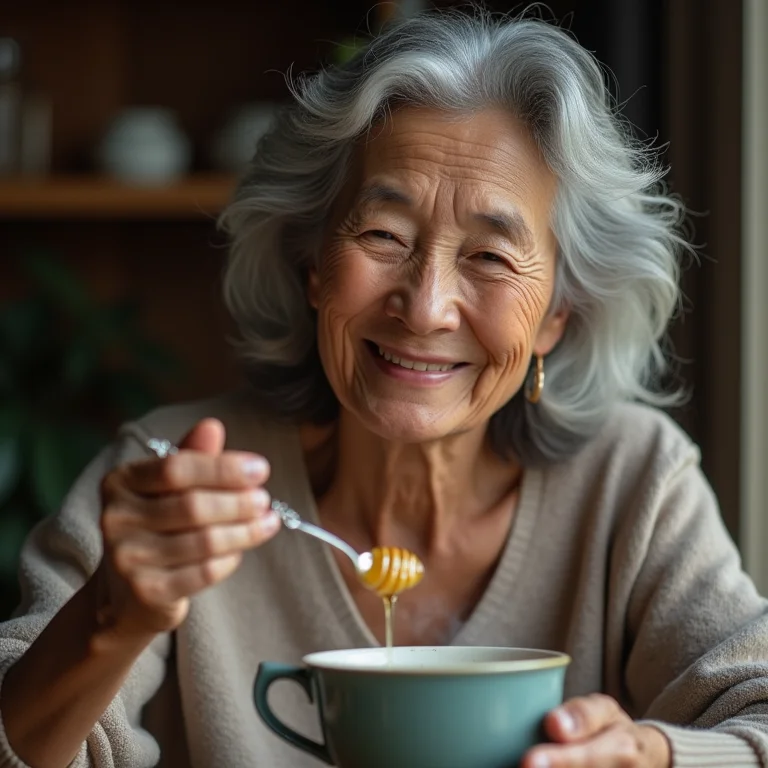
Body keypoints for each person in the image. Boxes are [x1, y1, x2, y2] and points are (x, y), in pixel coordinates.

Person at [1, 8, 767, 768]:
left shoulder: (631, 481)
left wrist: (654, 755)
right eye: (382, 236)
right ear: (311, 264)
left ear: (557, 316)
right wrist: (112, 616)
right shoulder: (171, 482)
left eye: (492, 258)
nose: (426, 308)